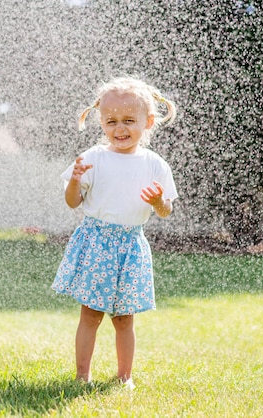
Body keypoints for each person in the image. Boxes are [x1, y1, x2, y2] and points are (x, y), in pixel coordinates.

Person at [51, 76, 178, 389]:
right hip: (96, 241)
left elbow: (165, 211)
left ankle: (125, 377)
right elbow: (73, 203)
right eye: (112, 121)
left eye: (129, 121)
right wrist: (73, 182)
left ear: (148, 122)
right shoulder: (94, 158)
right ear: (102, 122)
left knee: (125, 318)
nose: (120, 129)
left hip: (131, 244)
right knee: (91, 314)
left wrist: (158, 201)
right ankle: (83, 376)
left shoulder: (155, 164)